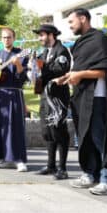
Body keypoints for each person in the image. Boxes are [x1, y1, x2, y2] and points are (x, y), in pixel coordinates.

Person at [57, 8, 107, 196]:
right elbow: (82, 69)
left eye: (72, 22)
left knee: (102, 140)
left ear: (83, 19)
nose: (70, 26)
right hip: (83, 98)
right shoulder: (81, 43)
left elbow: (106, 70)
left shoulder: (100, 39)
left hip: (99, 98)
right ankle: (91, 174)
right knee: (86, 139)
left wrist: (80, 74)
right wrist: (67, 77)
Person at [0, 27, 29, 172]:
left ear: (14, 38)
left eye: (9, 37)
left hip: (15, 93)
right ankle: (5, 158)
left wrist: (18, 64)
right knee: (1, 126)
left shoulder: (21, 54)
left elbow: (23, 79)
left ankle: (19, 159)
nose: (6, 40)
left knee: (16, 126)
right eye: (3, 37)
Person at [33, 24, 71, 180]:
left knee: (58, 131)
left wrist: (41, 67)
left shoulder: (61, 51)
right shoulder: (44, 53)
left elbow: (60, 70)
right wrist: (33, 66)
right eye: (39, 35)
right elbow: (39, 73)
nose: (40, 38)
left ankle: (62, 168)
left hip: (57, 98)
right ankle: (51, 165)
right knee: (47, 131)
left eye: (42, 35)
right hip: (45, 96)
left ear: (51, 35)